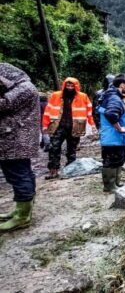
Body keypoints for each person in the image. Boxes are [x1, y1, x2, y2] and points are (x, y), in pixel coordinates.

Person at [0, 63, 39, 233]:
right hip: (15, 138)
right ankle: (22, 209)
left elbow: (4, 104)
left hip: (16, 139)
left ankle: (23, 216)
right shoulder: (22, 87)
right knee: (22, 173)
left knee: (19, 174)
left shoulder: (24, 88)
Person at [42, 77, 97, 180]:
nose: (70, 87)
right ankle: (53, 170)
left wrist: (92, 124)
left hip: (76, 127)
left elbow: (90, 112)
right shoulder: (56, 95)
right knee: (53, 148)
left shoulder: (83, 96)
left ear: (76, 86)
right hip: (58, 127)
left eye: (72, 85)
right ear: (64, 85)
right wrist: (45, 125)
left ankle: (71, 168)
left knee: (72, 149)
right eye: (68, 85)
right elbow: (47, 111)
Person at [98, 74, 125, 192]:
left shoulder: (113, 96)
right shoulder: (114, 98)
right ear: (122, 85)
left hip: (114, 138)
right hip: (112, 137)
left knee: (119, 158)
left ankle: (116, 183)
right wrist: (119, 128)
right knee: (111, 161)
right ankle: (109, 186)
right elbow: (110, 114)